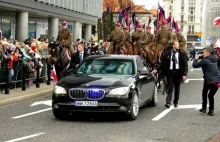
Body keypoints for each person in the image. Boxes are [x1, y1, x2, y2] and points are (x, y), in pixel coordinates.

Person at [152, 40, 188, 108]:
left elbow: (185, 64)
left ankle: (176, 102)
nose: (178, 45)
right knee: (170, 87)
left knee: (177, 88)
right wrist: (156, 69)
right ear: (173, 46)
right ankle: (168, 102)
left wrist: (184, 74)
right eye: (177, 44)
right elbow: (162, 63)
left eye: (178, 44)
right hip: (170, 73)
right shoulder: (168, 53)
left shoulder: (181, 53)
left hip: (178, 73)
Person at [192, 47, 220, 116]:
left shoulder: (205, 60)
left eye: (203, 52)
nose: (202, 53)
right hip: (218, 81)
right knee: (211, 95)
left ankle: (204, 108)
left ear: (207, 53)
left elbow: (194, 65)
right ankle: (211, 110)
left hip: (209, 80)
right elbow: (207, 58)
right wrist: (201, 57)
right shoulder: (214, 58)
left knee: (204, 92)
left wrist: (195, 59)